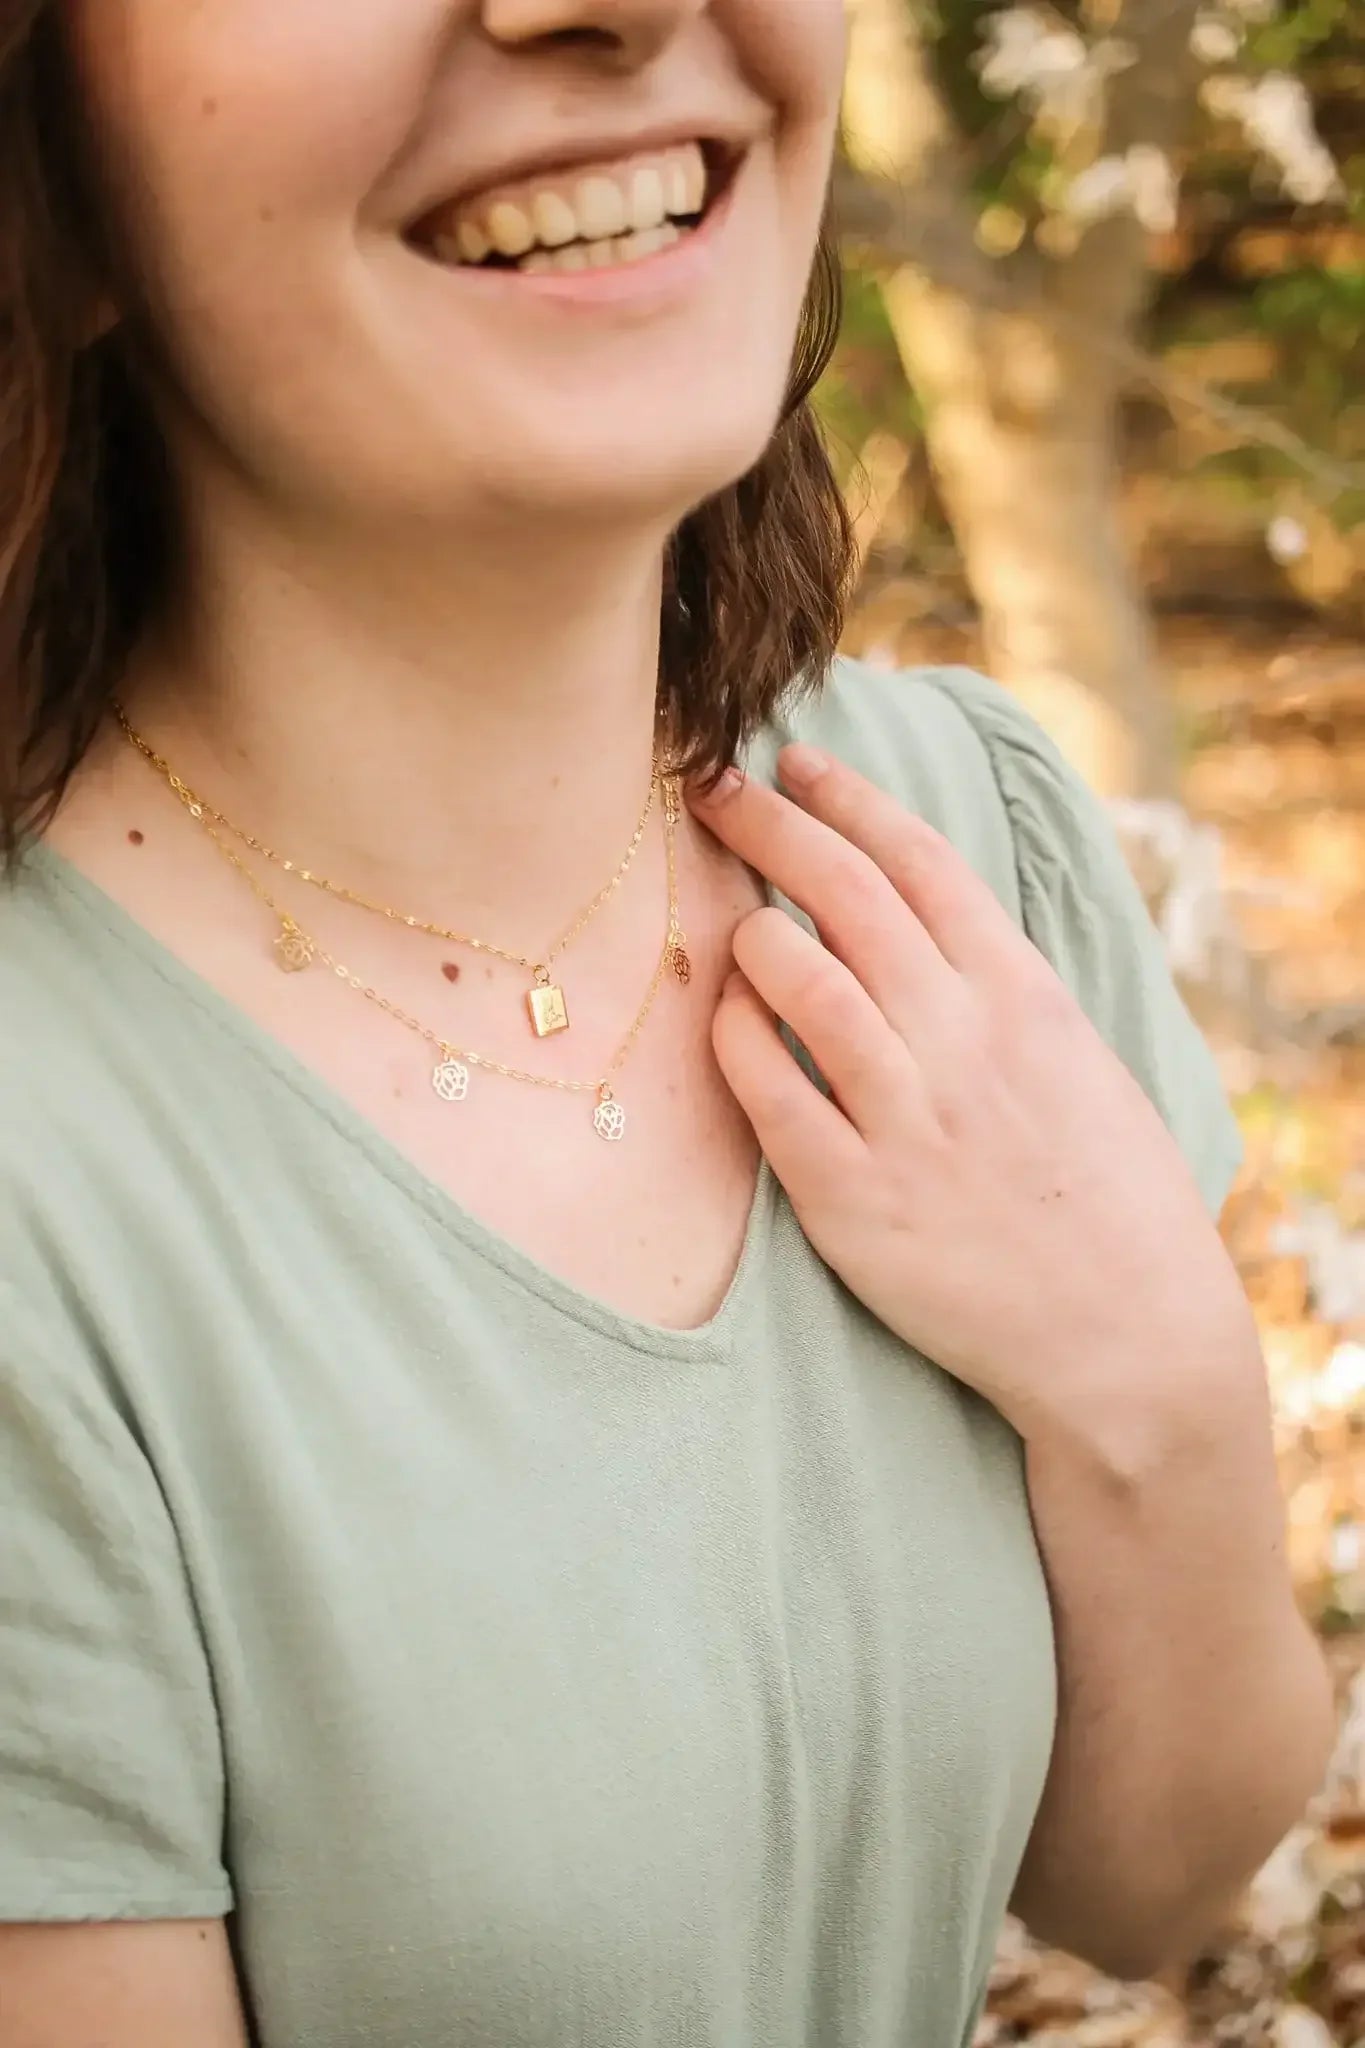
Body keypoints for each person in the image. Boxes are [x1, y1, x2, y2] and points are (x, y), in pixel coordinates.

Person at [0, 3, 1334, 2044]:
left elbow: (1146, 1872)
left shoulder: (960, 838)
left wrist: (1142, 1380)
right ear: (48, 178)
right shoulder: (46, 1181)